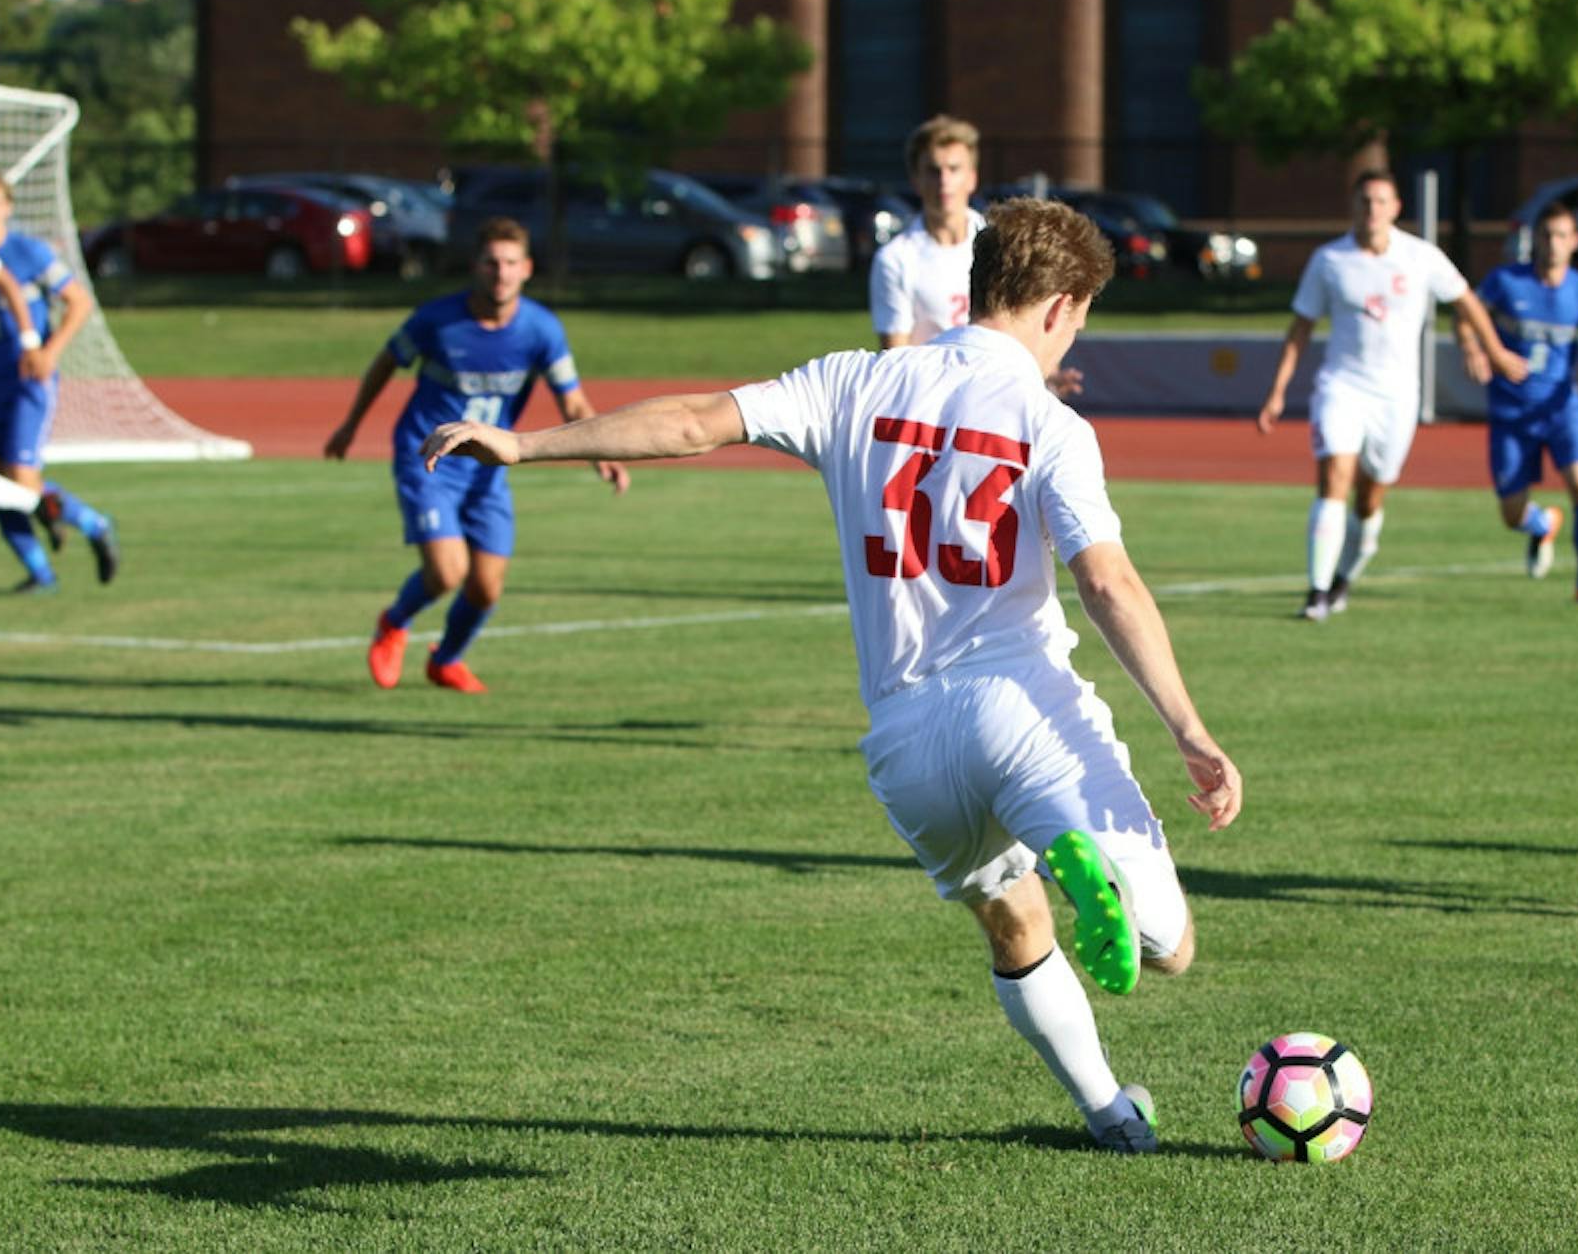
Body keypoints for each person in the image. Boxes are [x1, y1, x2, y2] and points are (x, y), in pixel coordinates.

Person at [422, 199, 1243, 1152]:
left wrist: (524, 443)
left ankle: (1110, 1114)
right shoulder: (1049, 422)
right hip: (1021, 704)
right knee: (1166, 947)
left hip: (905, 739)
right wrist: (1190, 728)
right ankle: (1086, 864)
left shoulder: (855, 380)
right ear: (1062, 306)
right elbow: (1105, 580)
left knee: (1011, 923)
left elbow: (692, 422)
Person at [324, 216, 628, 693]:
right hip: (427, 457)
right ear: (476, 266)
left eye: (510, 263)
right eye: (491, 262)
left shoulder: (542, 329)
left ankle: (446, 660)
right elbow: (386, 363)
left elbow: (571, 400)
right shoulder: (436, 320)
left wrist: (601, 449)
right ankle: (394, 623)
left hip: (487, 468)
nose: (500, 273)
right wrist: (350, 424)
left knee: (486, 587)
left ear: (526, 269)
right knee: (448, 571)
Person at [1256, 168, 1526, 621]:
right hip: (1342, 385)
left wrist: (1494, 351)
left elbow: (1465, 300)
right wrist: (1277, 391)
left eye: (1381, 202)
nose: (1372, 210)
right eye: (1365, 202)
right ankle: (1317, 591)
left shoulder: (1420, 257)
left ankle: (1344, 578)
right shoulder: (1329, 260)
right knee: (1334, 478)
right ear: (1353, 207)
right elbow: (1301, 328)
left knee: (1369, 498)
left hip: (1397, 397)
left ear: (1396, 208)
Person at [1459, 201, 1578, 607]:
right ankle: (1541, 524)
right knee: (1511, 513)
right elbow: (1466, 314)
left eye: (1562, 236)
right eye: (1546, 235)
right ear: (1534, 240)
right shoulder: (1506, 282)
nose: (1553, 244)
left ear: (1575, 242)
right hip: (1511, 413)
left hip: (1562, 408)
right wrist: (1474, 349)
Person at [0, 171, 113, 595]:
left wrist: (47, 350)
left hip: (31, 377)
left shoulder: (27, 253)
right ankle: (40, 572)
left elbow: (78, 302)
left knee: (20, 475)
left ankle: (91, 523)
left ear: (9, 208)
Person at [870, 114, 1081, 398]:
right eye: (933, 170)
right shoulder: (896, 258)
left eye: (953, 169)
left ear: (971, 178)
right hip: (938, 400)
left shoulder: (1001, 241)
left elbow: (1028, 313)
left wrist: (1047, 375)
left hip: (1000, 394)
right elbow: (897, 358)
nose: (944, 181)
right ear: (916, 180)